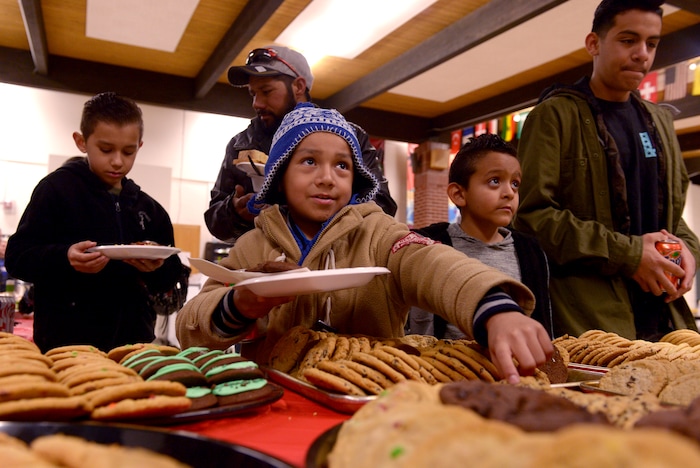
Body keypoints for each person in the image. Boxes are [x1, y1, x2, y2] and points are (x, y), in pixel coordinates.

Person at [177, 103, 553, 384]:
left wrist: (492, 308)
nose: (328, 178)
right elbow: (191, 328)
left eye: (342, 166)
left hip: (372, 403)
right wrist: (239, 303)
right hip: (271, 402)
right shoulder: (252, 246)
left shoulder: (379, 234)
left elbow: (431, 262)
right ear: (279, 175)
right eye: (309, 162)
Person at [514, 0, 700, 341]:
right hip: (593, 323)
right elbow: (531, 218)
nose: (642, 53)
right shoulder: (554, 115)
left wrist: (689, 250)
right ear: (593, 44)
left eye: (652, 43)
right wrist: (630, 255)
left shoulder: (659, 120)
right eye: (628, 40)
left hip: (667, 318)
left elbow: (673, 219)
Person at [5, 92, 183, 353]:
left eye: (129, 151)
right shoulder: (55, 190)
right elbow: (17, 257)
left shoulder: (149, 209)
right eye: (106, 149)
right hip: (66, 346)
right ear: (81, 142)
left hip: (134, 346)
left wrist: (155, 268)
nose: (118, 161)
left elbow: (171, 275)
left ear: (140, 146)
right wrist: (65, 257)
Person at [205, 46, 397, 243]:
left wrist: (327, 204)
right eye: (253, 94)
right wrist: (236, 212)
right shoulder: (240, 145)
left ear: (298, 86)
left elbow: (383, 205)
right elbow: (214, 221)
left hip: (333, 264)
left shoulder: (350, 137)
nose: (257, 103)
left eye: (266, 91)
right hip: (260, 265)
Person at [409, 134, 553, 339]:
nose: (509, 193)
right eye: (495, 181)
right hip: (441, 367)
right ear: (459, 194)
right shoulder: (430, 244)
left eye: (515, 183)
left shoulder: (530, 251)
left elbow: (542, 320)